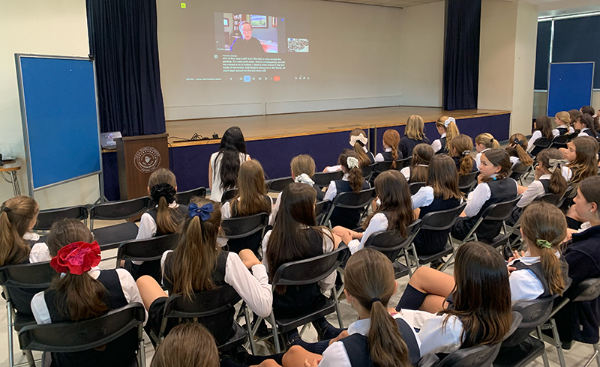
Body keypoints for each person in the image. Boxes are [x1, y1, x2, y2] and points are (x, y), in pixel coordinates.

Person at [136, 197, 272, 345]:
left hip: (181, 334)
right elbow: (264, 308)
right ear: (218, 228)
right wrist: (259, 267)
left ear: (186, 226)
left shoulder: (167, 258)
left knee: (144, 281)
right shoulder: (229, 262)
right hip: (218, 333)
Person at [283, 249, 419, 367]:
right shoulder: (410, 330)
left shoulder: (340, 353)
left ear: (348, 296)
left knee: (277, 360)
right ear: (394, 288)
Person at [31, 240, 146, 367]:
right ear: (91, 249)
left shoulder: (41, 302)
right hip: (123, 360)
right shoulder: (122, 278)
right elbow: (143, 320)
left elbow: (51, 342)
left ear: (53, 258)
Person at [394, 242, 512, 356]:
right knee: (426, 300)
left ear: (464, 279)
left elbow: (417, 348)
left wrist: (397, 319)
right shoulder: (499, 315)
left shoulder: (450, 328)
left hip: (419, 351)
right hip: (457, 335)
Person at [263, 183, 341, 319]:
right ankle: (320, 326)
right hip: (313, 300)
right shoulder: (324, 236)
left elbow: (267, 276)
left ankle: (281, 334)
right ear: (308, 209)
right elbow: (328, 283)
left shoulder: (271, 238)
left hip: (280, 306)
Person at [555, 176, 600, 346]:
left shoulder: (585, 253)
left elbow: (550, 281)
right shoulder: (590, 240)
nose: (574, 199)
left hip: (563, 317)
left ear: (592, 206)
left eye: (578, 196)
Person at [331, 170, 414, 255]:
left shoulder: (380, 218)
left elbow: (359, 251)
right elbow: (377, 235)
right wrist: (359, 235)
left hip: (363, 259)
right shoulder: (406, 211)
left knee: (332, 237)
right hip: (384, 253)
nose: (377, 196)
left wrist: (349, 242)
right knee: (336, 229)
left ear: (386, 195)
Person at [128, 168, 187, 280]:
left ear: (149, 191)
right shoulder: (187, 211)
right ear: (175, 189)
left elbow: (138, 258)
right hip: (181, 268)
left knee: (124, 261)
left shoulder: (149, 217)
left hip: (154, 274)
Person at [451, 149, 518, 243]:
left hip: (471, 231)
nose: (479, 167)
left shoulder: (484, 187)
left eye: (484, 164)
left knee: (446, 220)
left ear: (498, 168)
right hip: (493, 231)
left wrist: (475, 190)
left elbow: (469, 212)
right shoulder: (513, 183)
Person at [411, 155, 462, 256]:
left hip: (419, 243)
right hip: (441, 242)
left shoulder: (427, 192)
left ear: (431, 171)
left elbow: (406, 207)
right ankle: (437, 262)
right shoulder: (458, 195)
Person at [221, 160, 272, 253]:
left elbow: (221, 239)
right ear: (262, 179)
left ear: (239, 180)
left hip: (232, 255)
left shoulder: (228, 207)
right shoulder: (268, 201)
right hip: (256, 250)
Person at [509, 149, 567, 225]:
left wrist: (536, 178)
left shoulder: (538, 185)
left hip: (524, 217)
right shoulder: (562, 180)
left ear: (541, 165)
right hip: (543, 214)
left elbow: (520, 204)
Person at [271, 155, 324, 224]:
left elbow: (274, 219)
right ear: (312, 172)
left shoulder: (284, 194)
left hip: (290, 232)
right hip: (312, 229)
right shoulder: (318, 192)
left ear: (292, 173)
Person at [324, 149, 370, 228]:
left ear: (341, 167)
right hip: (355, 222)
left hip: (336, 225)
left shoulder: (334, 185)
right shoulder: (367, 185)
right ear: (358, 164)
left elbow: (325, 204)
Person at [209, 126, 250, 201]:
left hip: (216, 206)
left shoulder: (213, 157)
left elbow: (211, 186)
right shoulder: (246, 158)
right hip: (237, 205)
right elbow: (249, 187)